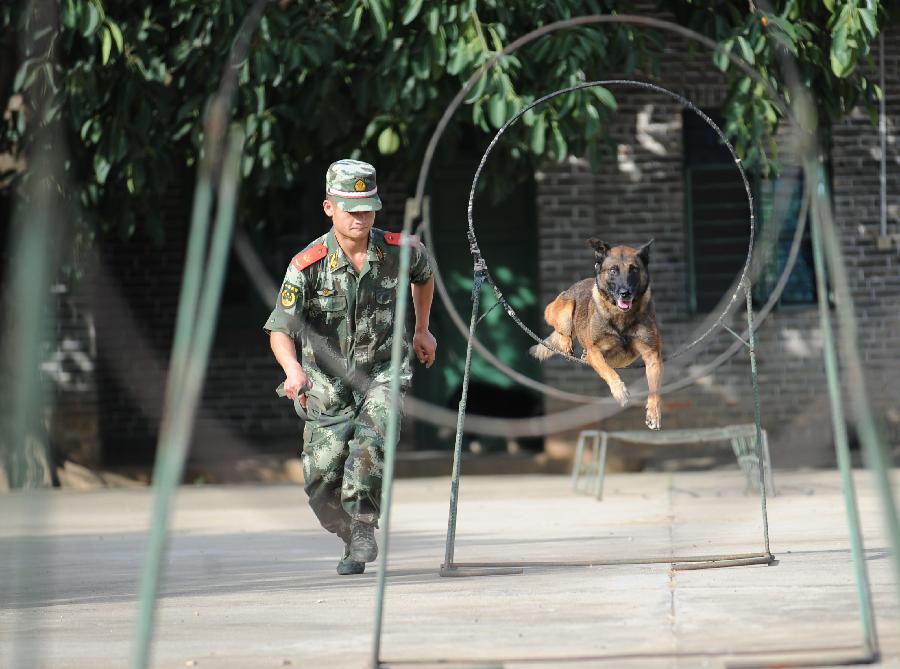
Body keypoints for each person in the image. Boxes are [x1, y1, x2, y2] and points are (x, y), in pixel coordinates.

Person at [265, 159, 437, 575]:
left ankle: (363, 523)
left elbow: (424, 275)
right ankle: (348, 534)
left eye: (368, 208)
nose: (361, 218)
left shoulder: (401, 251)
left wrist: (422, 330)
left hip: (383, 371)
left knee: (371, 438)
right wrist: (293, 371)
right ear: (329, 209)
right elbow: (280, 329)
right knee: (321, 481)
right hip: (326, 382)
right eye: (351, 210)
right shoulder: (307, 265)